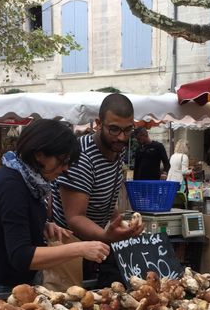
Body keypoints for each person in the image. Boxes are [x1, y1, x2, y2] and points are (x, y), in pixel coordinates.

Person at [0, 119, 109, 297]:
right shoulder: (11, 186)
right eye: (62, 160)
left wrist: (42, 226)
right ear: (39, 154)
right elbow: (21, 256)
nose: (65, 168)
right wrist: (80, 249)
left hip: (21, 281)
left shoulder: (32, 181)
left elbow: (12, 223)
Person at [52, 93, 143, 287]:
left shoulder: (115, 152)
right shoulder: (81, 157)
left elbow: (104, 201)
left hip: (92, 244)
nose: (122, 137)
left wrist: (120, 224)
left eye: (128, 130)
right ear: (98, 123)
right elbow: (75, 217)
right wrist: (106, 236)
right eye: (114, 129)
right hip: (68, 246)